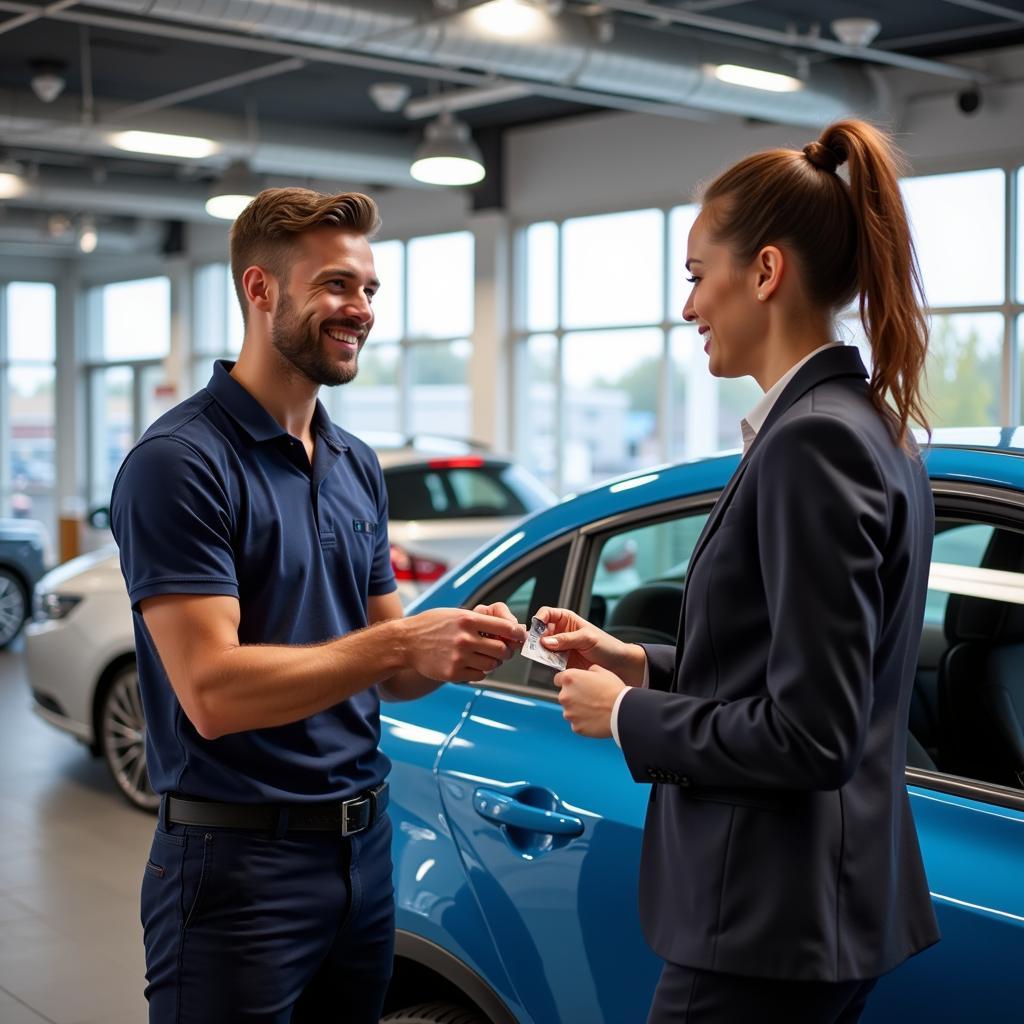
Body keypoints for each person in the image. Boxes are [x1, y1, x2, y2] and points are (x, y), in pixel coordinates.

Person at [536, 120, 941, 1023]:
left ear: (764, 273)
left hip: (769, 923)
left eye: (694, 276)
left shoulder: (813, 445)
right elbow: (799, 667)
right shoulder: (861, 424)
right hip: (805, 918)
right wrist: (642, 665)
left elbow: (813, 735)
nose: (687, 308)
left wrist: (628, 716)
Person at [110, 187, 525, 1024]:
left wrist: (466, 643)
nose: (361, 310)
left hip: (365, 856)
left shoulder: (353, 463)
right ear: (261, 291)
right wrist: (398, 645)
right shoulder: (181, 463)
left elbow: (388, 665)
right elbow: (213, 693)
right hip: (237, 869)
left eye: (369, 289)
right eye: (337, 285)